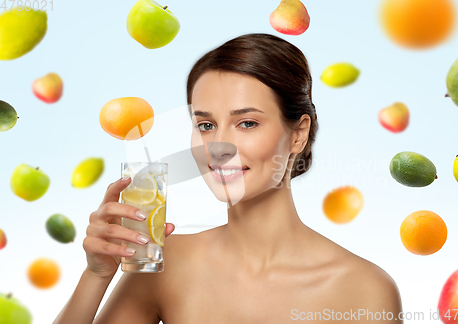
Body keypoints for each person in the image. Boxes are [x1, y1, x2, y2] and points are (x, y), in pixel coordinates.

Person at [54, 33, 403, 324]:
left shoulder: (364, 290)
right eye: (206, 125)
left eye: (247, 123)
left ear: (298, 134)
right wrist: (97, 275)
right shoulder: (165, 264)